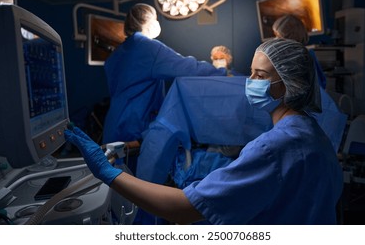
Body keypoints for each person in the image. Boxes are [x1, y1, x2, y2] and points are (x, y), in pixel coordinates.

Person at [65, 38, 343, 225]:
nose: (250, 83)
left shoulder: (274, 147)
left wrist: (109, 173)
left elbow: (184, 208)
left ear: (287, 84)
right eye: (251, 73)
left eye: (260, 76)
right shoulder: (311, 134)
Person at [102, 3, 226, 146]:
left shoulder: (116, 55)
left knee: (114, 167)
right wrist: (221, 70)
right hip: (133, 129)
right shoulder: (147, 48)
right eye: (155, 19)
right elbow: (187, 67)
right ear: (147, 22)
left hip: (113, 126)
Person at [272, 14, 327, 89]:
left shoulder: (304, 56)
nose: (275, 39)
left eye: (278, 36)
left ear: (290, 37)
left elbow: (318, 84)